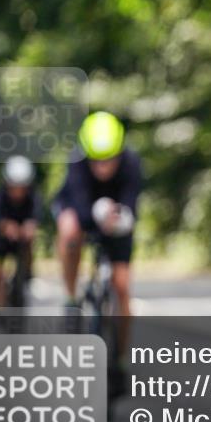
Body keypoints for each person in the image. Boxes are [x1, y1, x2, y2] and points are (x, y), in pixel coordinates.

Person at [53, 111, 142, 381]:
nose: (103, 167)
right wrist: (96, 214)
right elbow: (77, 205)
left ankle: (122, 357)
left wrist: (121, 217)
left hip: (118, 220)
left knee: (122, 286)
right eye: (97, 161)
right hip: (82, 212)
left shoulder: (132, 163)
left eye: (109, 160)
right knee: (69, 231)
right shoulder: (77, 162)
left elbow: (132, 205)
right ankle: (71, 297)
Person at [0, 155, 41, 308]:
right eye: (14, 186)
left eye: (22, 187)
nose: (18, 191)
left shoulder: (33, 197)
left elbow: (36, 217)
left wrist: (30, 227)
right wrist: (6, 227)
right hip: (0, 242)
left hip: (21, 241)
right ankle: (0, 305)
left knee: (30, 241)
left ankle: (28, 272)